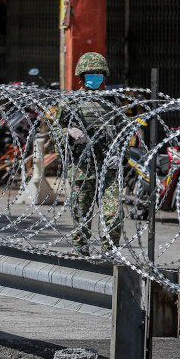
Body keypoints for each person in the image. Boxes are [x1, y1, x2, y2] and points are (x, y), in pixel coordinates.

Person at [55, 52, 124, 257]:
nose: (95, 77)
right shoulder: (71, 103)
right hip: (82, 169)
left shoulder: (111, 103)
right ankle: (81, 253)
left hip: (107, 169)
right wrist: (69, 132)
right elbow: (53, 132)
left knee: (113, 215)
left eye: (99, 73)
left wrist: (119, 154)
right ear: (82, 76)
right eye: (90, 73)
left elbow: (122, 133)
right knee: (82, 217)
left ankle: (109, 254)